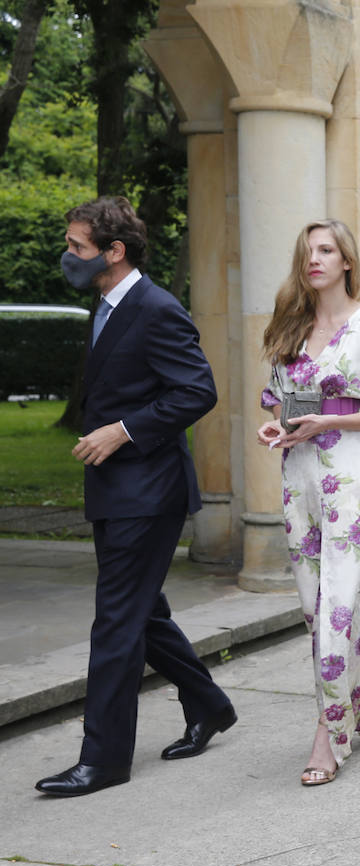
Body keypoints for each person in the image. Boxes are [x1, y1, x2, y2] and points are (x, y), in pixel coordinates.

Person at [35, 197, 234, 798]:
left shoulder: (156, 308)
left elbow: (198, 391)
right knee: (142, 613)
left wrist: (122, 430)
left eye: (76, 246)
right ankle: (209, 704)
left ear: (114, 251)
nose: (67, 256)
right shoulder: (106, 304)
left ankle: (104, 760)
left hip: (148, 492)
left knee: (116, 622)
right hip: (117, 490)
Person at [256, 219, 360, 787]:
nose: (315, 259)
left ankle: (328, 735)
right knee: (313, 605)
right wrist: (274, 430)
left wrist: (328, 419)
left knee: (341, 605)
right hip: (299, 476)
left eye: (326, 250)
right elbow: (277, 406)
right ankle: (358, 706)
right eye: (307, 251)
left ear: (347, 260)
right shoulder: (288, 327)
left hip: (353, 473)